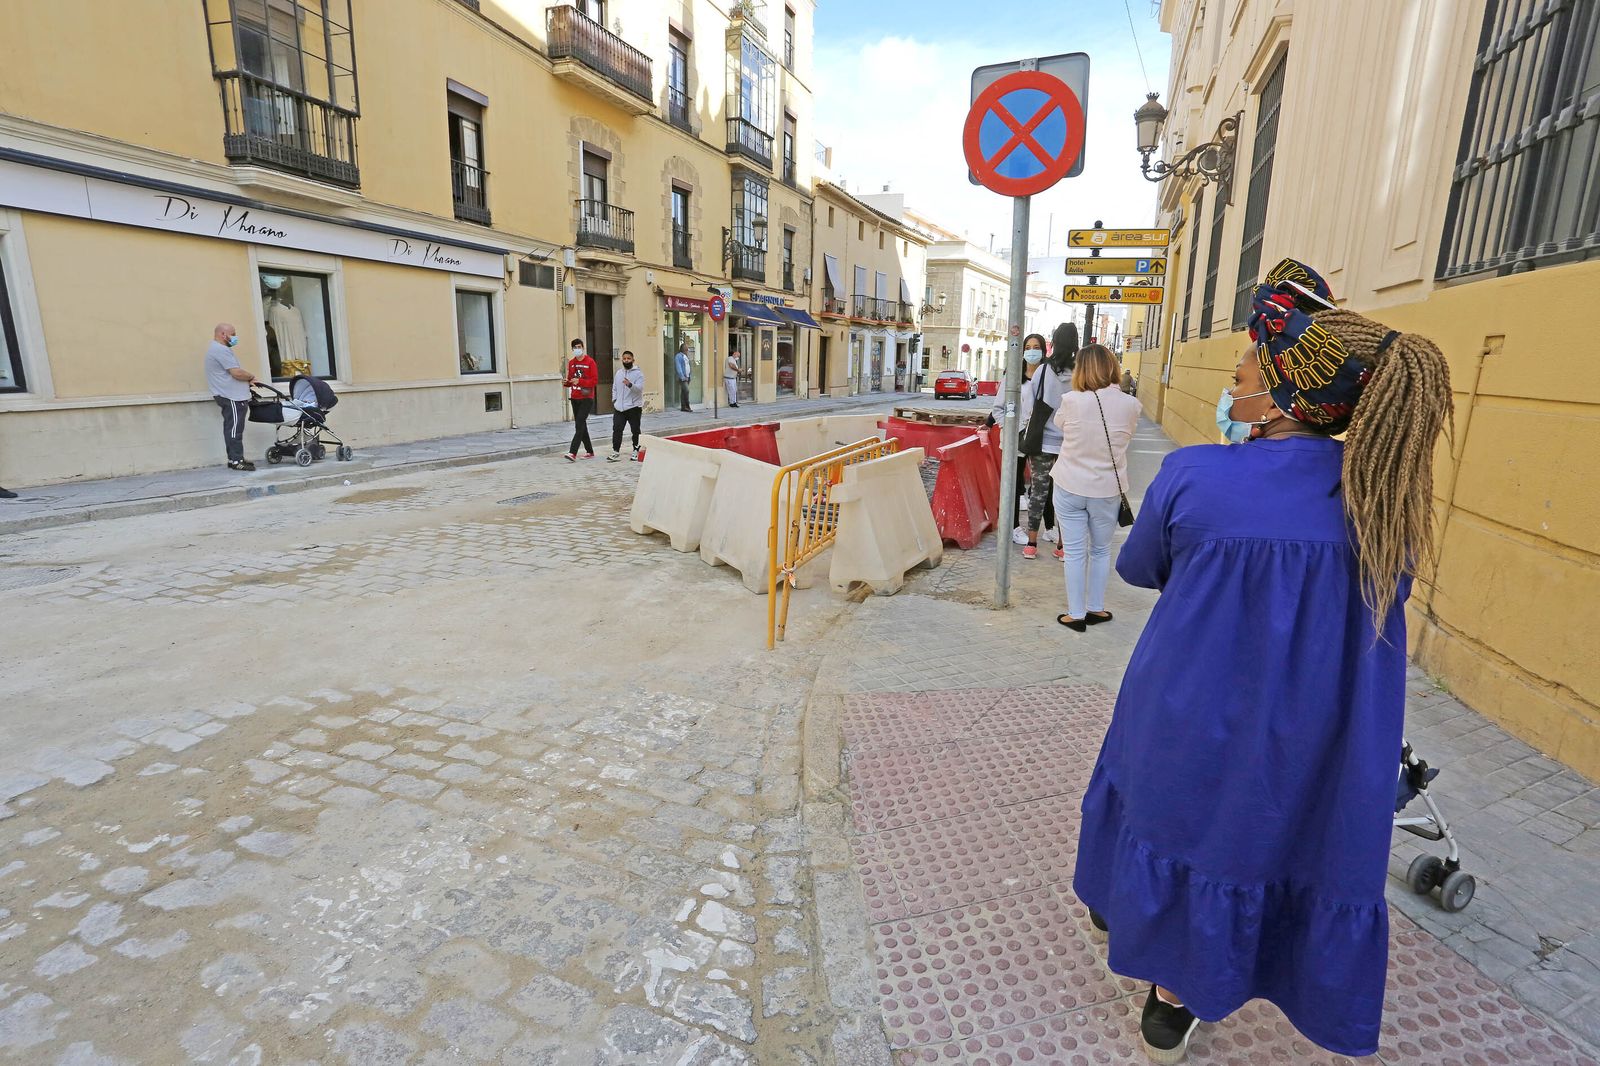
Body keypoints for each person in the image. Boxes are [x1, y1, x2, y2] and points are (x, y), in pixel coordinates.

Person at [1072, 258, 1455, 1062]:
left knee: (1170, 819)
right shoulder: (1381, 499)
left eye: (1244, 369)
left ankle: (1170, 991)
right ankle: (1202, 986)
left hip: (1189, 704)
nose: (1234, 381)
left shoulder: (1196, 475)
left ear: (1280, 393)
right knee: (1264, 840)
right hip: (1316, 728)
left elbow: (1139, 569)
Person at [1050, 344, 1141, 631]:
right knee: (1101, 551)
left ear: (1082, 370)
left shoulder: (1071, 400)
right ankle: (1096, 608)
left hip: (1070, 484)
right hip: (1107, 489)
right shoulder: (1131, 405)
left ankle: (1076, 614)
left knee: (1075, 552)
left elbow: (1060, 425)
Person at [986, 333, 1056, 545]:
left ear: (1044, 350)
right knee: (1014, 483)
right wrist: (1007, 427)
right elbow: (998, 408)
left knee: (1045, 484)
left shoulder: (1048, 375)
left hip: (1042, 437)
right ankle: (1014, 527)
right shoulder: (1013, 375)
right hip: (1016, 436)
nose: (1032, 350)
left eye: (1036, 346)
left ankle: (1049, 527)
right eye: (1028, 346)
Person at [1016, 322, 1077, 560]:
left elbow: (1031, 405)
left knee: (1038, 492)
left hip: (1042, 440)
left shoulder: (1042, 370)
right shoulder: (1081, 371)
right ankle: (1062, 546)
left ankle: (1031, 543)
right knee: (1065, 494)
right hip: (1069, 442)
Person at [204, 322, 258, 472]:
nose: (235, 337)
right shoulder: (220, 350)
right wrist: (251, 376)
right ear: (223, 334)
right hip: (231, 396)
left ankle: (234, 458)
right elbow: (236, 372)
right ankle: (236, 461)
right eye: (233, 334)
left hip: (230, 395)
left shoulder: (218, 349)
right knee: (234, 429)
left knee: (231, 428)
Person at [563, 338, 598, 461]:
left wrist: (580, 381)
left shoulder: (590, 362)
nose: (577, 349)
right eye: (574, 348)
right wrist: (566, 383)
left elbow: (594, 381)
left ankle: (573, 452)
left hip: (586, 397)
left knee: (579, 424)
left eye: (579, 347)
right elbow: (571, 379)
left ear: (583, 348)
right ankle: (590, 451)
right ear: (572, 349)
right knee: (582, 424)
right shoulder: (571, 363)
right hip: (575, 397)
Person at [609, 350, 645, 462]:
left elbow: (639, 390)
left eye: (628, 359)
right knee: (617, 429)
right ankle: (615, 451)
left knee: (635, 430)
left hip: (634, 407)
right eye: (624, 359)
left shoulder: (638, 374)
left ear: (633, 360)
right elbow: (614, 387)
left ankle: (635, 450)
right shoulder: (619, 373)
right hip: (619, 407)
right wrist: (614, 400)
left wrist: (630, 384)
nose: (626, 361)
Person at [675, 342, 693, 412]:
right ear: (683, 348)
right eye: (686, 347)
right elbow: (678, 367)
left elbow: (688, 366)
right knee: (686, 391)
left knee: (683, 392)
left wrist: (689, 376)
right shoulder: (678, 356)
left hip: (687, 377)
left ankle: (683, 407)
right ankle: (687, 406)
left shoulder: (686, 356)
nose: (687, 349)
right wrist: (682, 377)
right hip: (683, 377)